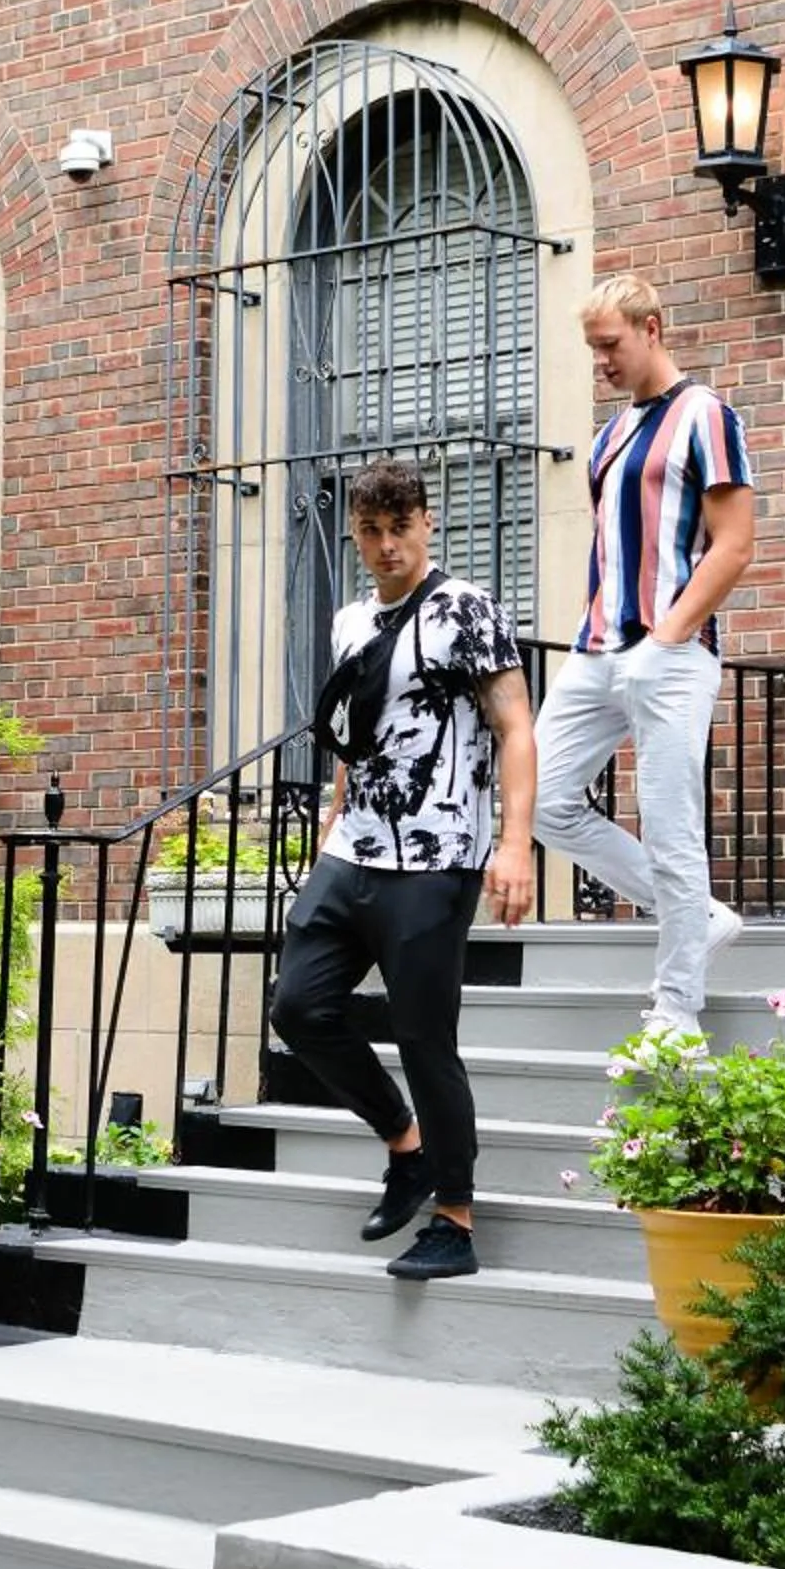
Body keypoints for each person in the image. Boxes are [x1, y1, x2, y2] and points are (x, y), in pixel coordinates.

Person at [267, 459, 536, 1282]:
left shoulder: (467, 611)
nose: (387, 546)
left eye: (400, 528)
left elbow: (515, 727)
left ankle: (454, 1218)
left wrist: (515, 844)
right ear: (356, 536)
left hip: (437, 857)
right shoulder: (352, 622)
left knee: (424, 1037)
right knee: (298, 1007)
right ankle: (404, 1144)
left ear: (427, 524)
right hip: (353, 850)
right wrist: (332, 814)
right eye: (371, 532)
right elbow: (358, 730)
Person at [535, 273, 757, 1041]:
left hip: (672, 653)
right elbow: (612, 549)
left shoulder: (707, 417)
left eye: (610, 345)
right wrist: (597, 628)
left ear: (651, 328)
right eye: (592, 349)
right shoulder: (609, 437)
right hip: (597, 650)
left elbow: (734, 545)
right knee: (541, 800)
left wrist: (667, 636)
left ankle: (676, 1009)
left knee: (670, 826)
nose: (601, 362)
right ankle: (697, 917)